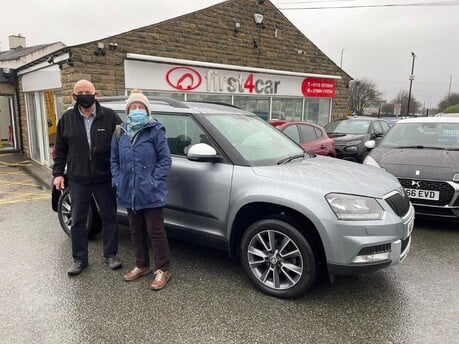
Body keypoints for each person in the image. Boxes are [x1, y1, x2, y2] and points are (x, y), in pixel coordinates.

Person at [53, 79, 123, 276]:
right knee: (77, 220)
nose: (84, 95)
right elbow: (60, 150)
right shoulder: (66, 119)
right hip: (78, 178)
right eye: (80, 92)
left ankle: (111, 254)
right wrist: (58, 173)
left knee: (109, 216)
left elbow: (122, 144)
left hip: (104, 177)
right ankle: (79, 259)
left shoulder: (110, 117)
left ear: (95, 94)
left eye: (87, 91)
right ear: (74, 96)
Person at [111, 89, 172, 290]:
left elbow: (165, 160)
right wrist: (119, 180)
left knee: (156, 232)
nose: (136, 110)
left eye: (141, 107)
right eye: (133, 107)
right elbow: (114, 160)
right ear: (128, 111)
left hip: (151, 192)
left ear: (147, 110)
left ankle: (163, 269)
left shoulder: (155, 129)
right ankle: (141, 265)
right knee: (136, 231)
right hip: (129, 191)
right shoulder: (120, 131)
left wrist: (154, 181)